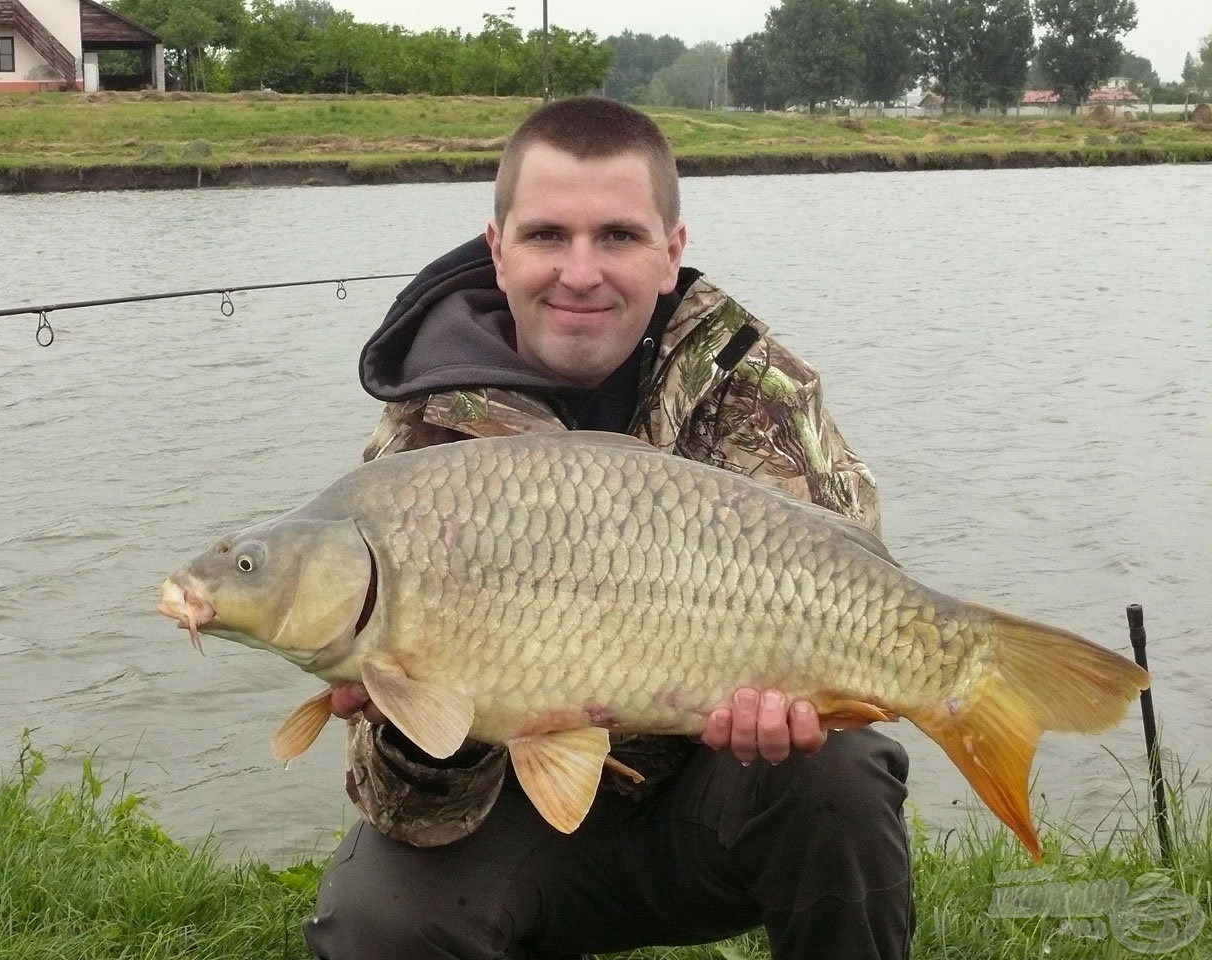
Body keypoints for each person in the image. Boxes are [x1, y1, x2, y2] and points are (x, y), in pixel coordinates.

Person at [304, 96, 913, 960]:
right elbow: (407, 810)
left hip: (712, 806)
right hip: (514, 824)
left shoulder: (759, 390)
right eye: (548, 235)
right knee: (377, 920)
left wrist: (798, 704)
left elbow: (859, 592)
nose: (581, 272)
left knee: (840, 776)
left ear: (673, 254)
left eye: (619, 237)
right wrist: (421, 722)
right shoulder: (425, 435)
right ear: (498, 249)